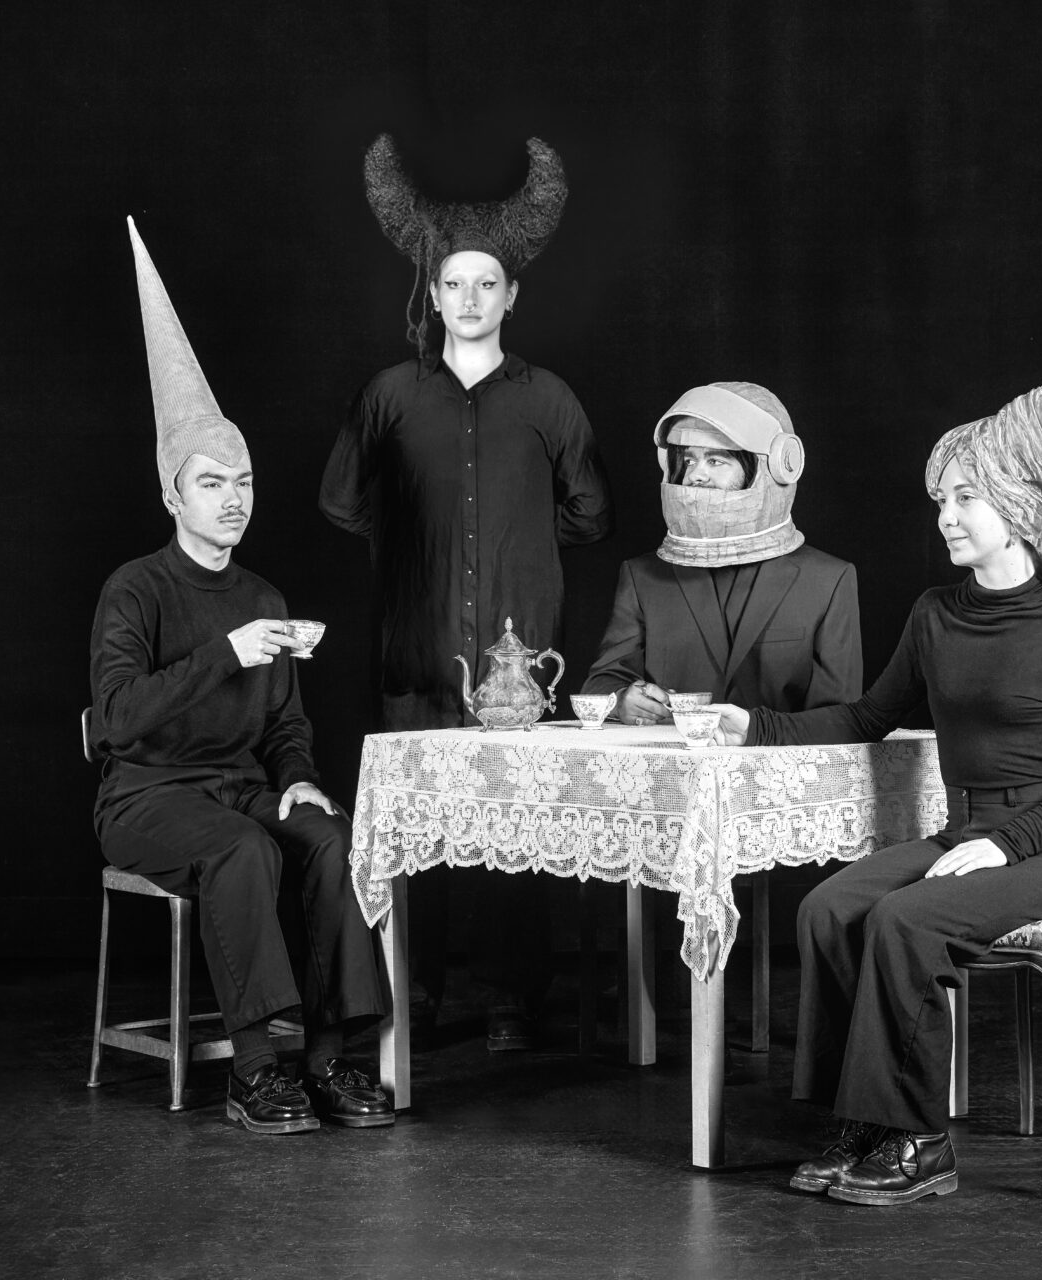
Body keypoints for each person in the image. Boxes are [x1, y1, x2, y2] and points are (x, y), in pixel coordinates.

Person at [709, 383, 1042, 1205]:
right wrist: (755, 727)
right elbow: (870, 715)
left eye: (966, 498)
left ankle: (920, 1141)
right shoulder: (935, 613)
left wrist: (1004, 845)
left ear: (1016, 505)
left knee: (906, 921)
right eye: (941, 499)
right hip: (965, 833)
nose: (946, 516)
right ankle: (861, 1123)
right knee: (827, 909)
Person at [90, 218, 392, 1136]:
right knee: (241, 850)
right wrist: (227, 652)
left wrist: (297, 775)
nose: (233, 499)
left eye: (245, 481)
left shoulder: (263, 594)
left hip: (241, 786)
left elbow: (285, 725)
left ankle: (331, 1058)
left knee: (331, 836)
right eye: (212, 483)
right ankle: (256, 1072)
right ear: (172, 493)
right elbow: (118, 718)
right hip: (148, 796)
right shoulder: (135, 590)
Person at [321, 136, 612, 1050]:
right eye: (455, 284)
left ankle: (513, 998)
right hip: (416, 646)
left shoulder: (550, 400)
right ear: (434, 292)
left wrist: (520, 543)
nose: (471, 299)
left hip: (518, 669)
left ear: (512, 294)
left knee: (517, 833)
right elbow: (340, 501)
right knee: (417, 833)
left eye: (488, 284)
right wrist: (419, 546)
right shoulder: (389, 396)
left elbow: (591, 513)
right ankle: (415, 996)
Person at [580, 381, 861, 724]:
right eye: (689, 460)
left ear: (773, 467)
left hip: (777, 759)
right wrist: (621, 701)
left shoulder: (827, 581)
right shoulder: (643, 577)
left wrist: (759, 732)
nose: (695, 475)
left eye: (716, 460)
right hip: (669, 758)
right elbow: (601, 683)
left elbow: (838, 719)